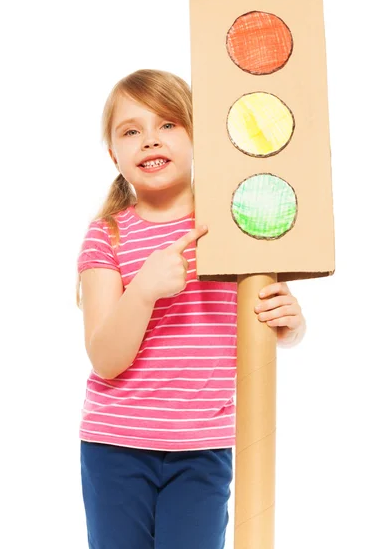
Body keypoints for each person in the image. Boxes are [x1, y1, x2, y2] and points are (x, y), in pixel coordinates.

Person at [75, 69, 306, 549]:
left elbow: (273, 322)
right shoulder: (108, 236)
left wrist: (292, 323)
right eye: (131, 131)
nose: (150, 140)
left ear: (199, 135)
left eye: (168, 124)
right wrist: (142, 291)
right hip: (116, 445)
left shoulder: (240, 222)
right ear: (113, 155)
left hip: (204, 446)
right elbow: (105, 358)